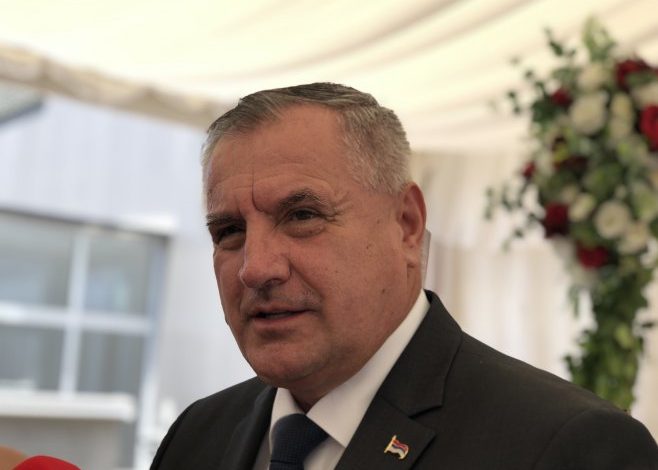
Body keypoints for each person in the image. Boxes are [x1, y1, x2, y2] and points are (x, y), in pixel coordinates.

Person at [151, 83, 658, 469]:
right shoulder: (196, 437)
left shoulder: (568, 447)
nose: (256, 267)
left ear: (407, 225)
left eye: (302, 216)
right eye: (229, 231)